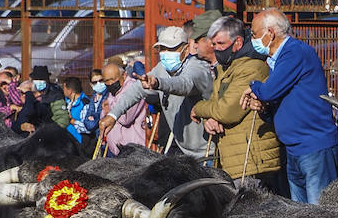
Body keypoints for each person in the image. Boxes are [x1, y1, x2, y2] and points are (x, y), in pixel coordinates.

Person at [241, 8, 338, 203]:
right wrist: (264, 109)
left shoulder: (295, 52)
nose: (252, 39)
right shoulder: (276, 61)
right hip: (294, 148)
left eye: (254, 33)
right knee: (299, 216)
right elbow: (277, 101)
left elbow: (269, 91)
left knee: (318, 214)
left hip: (313, 147)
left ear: (270, 33)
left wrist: (253, 86)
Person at [191, 16, 283, 191]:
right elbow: (215, 104)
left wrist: (198, 108)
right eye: (214, 44)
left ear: (238, 43)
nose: (217, 49)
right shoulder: (226, 68)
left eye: (221, 44)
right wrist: (208, 119)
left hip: (252, 161)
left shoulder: (252, 67)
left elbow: (227, 111)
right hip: (233, 158)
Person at [104, 25, 214, 159]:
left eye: (171, 49)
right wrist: (113, 115)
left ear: (185, 50)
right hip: (181, 148)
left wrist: (158, 83)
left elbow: (184, 84)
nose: (166, 53)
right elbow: (137, 89)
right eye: (162, 49)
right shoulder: (161, 68)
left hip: (206, 150)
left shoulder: (197, 67)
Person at [98, 62, 149, 156]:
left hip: (134, 151)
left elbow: (125, 118)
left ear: (124, 75)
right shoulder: (113, 92)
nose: (110, 84)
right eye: (106, 81)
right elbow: (104, 115)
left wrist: (110, 105)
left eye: (112, 79)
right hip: (117, 151)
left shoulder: (133, 89)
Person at [13, 65, 67, 135]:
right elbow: (19, 120)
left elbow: (62, 119)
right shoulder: (27, 95)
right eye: (36, 80)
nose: (39, 82)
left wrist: (50, 132)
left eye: (42, 80)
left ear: (47, 81)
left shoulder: (55, 95)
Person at [61, 76, 89, 144]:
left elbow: (88, 128)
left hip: (79, 143)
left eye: (64, 88)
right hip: (66, 141)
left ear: (70, 90)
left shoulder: (85, 103)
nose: (63, 91)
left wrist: (72, 120)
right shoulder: (67, 102)